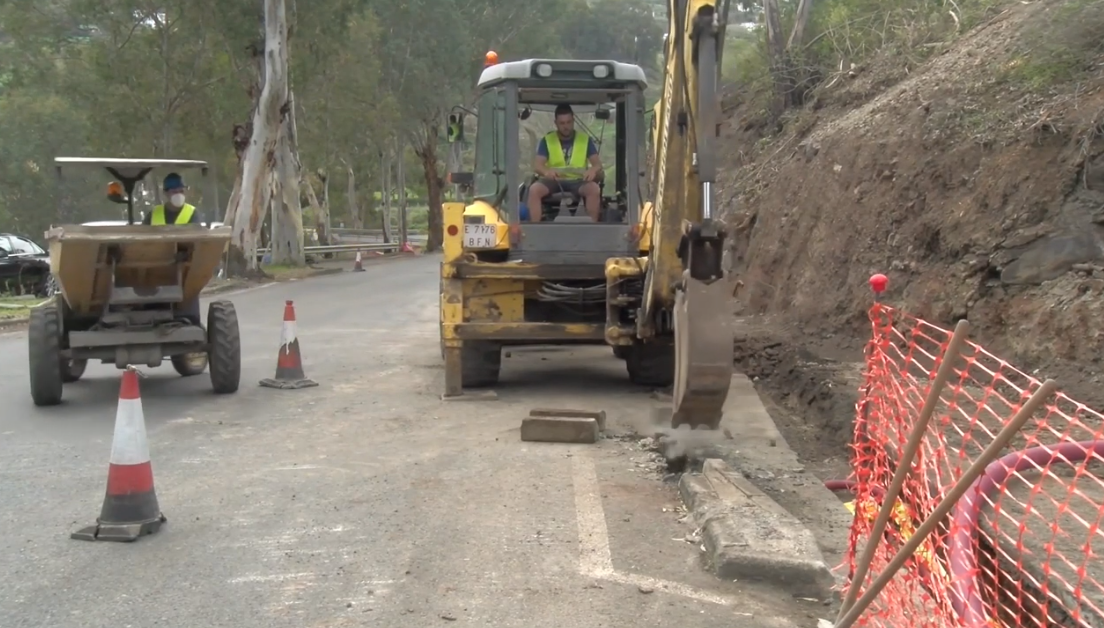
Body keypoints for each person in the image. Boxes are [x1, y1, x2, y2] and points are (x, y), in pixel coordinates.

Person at [143, 172, 203, 326]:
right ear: (166, 193)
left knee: (188, 302)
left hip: (182, 269)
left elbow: (197, 239)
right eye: (174, 191)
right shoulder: (153, 214)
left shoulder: (192, 213)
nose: (178, 194)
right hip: (156, 269)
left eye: (181, 191)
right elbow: (141, 239)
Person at [527, 104, 603, 222]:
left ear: (573, 121)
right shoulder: (547, 140)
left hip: (578, 181)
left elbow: (597, 164)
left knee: (594, 189)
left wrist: (593, 170)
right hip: (554, 181)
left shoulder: (585, 139)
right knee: (534, 190)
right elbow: (537, 166)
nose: (566, 126)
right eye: (562, 123)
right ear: (556, 123)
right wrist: (546, 172)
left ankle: (592, 228)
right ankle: (535, 229)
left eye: (568, 122)